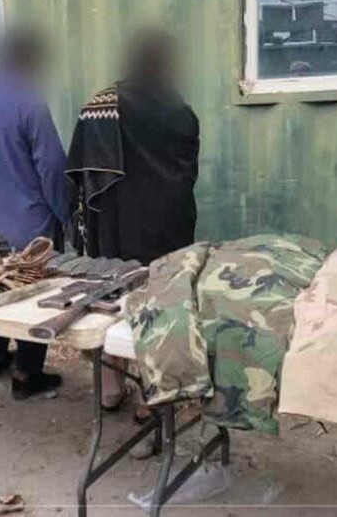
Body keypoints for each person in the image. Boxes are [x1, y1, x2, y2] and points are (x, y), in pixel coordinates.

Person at [65, 28, 200, 415]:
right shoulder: (181, 111)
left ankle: (110, 390)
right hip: (170, 226)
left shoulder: (103, 104)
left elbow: (80, 172)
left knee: (112, 300)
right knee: (159, 305)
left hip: (116, 226)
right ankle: (150, 399)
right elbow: (187, 172)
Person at [0, 28, 68, 400]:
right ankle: (26, 373)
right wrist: (66, 213)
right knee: (31, 293)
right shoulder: (30, 102)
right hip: (29, 221)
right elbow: (52, 168)